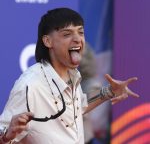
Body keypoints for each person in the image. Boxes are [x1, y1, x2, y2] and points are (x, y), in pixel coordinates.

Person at [0, 8, 139, 144]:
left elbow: (78, 107)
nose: (78, 39)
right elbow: (4, 130)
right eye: (67, 34)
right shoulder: (30, 85)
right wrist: (6, 136)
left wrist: (110, 91)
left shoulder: (72, 75)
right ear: (47, 41)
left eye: (81, 32)